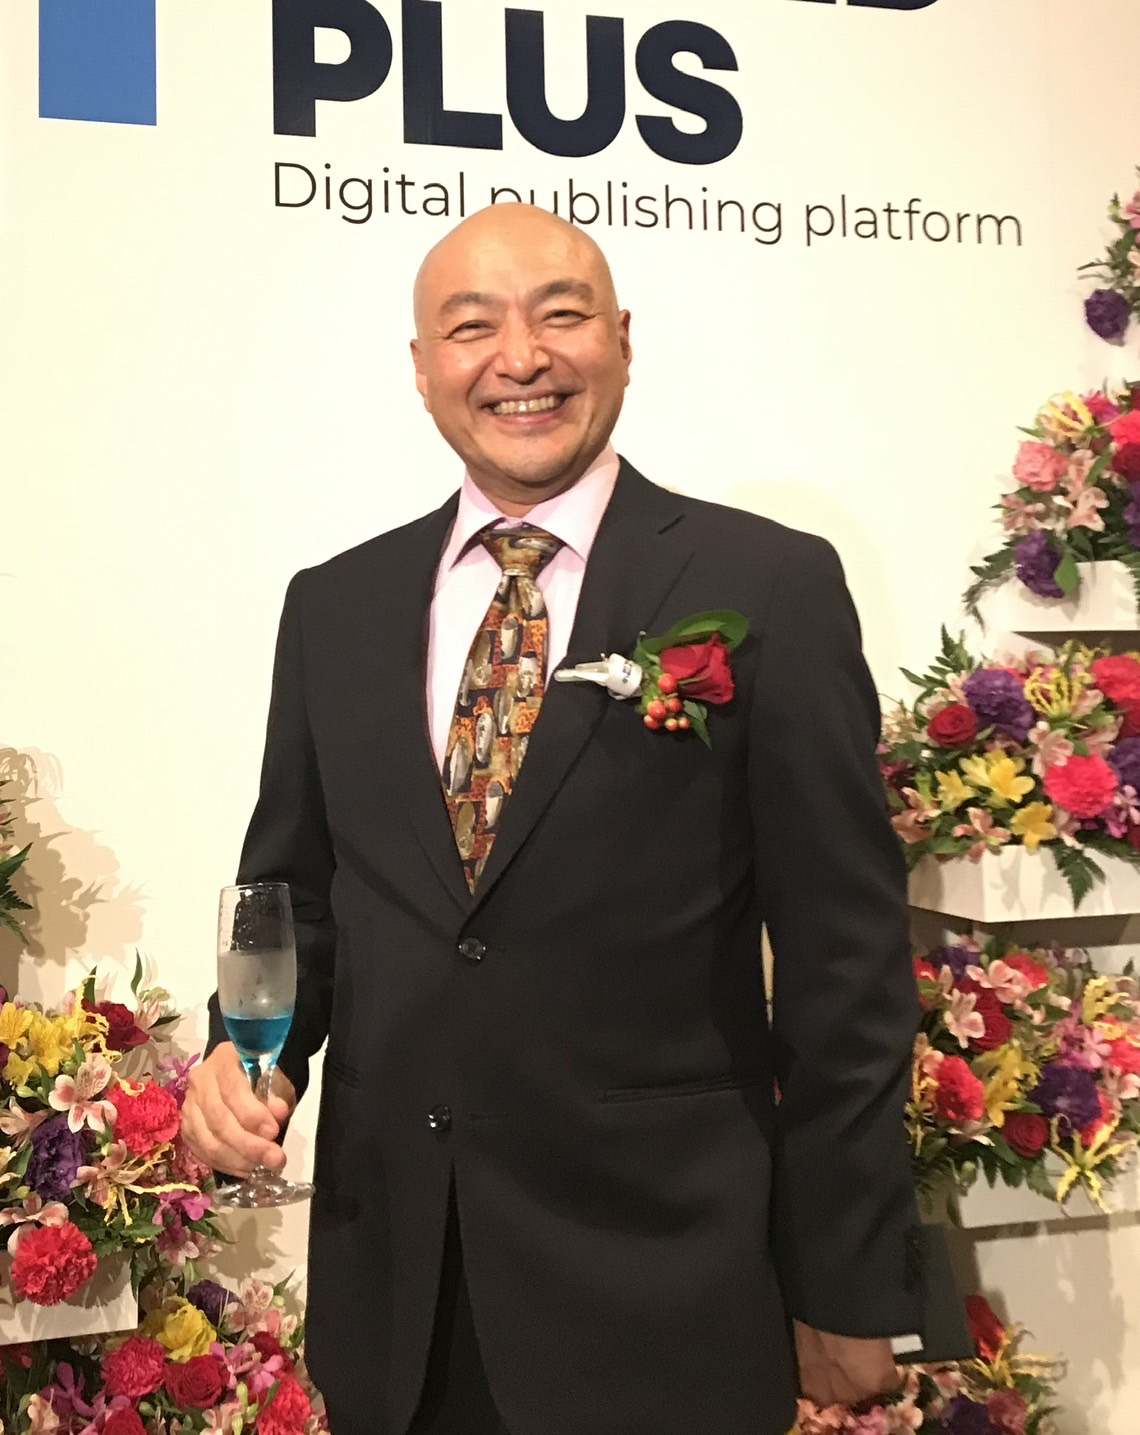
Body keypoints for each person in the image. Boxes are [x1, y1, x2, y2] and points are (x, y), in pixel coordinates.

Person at [182, 204, 923, 1435]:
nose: (520, 357)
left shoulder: (768, 583)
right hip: (399, 1296)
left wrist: (846, 1279)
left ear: (622, 339)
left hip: (665, 1293)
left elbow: (846, 967)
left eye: (561, 314)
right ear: (422, 366)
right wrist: (243, 1055)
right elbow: (298, 896)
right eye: (471, 327)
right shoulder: (335, 604)